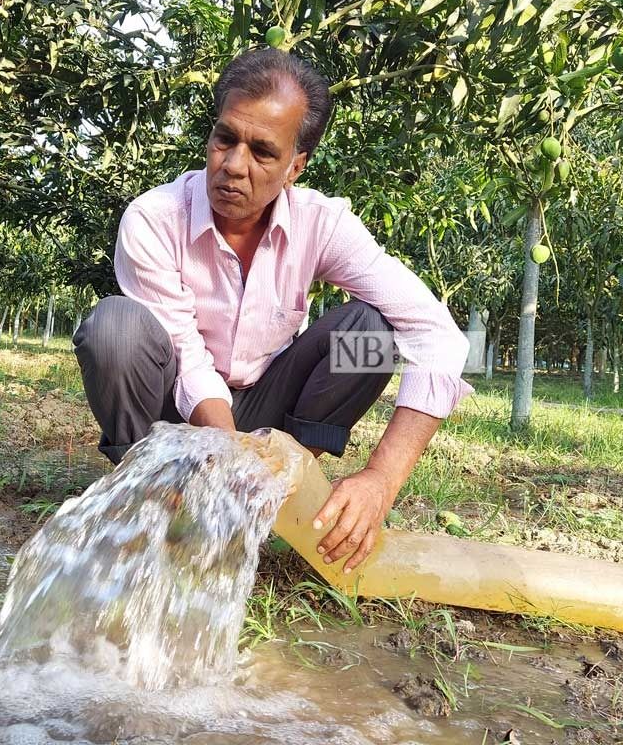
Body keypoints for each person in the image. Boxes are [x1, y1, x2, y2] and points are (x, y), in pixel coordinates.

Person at [73, 48, 472, 572]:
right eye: (225, 139)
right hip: (172, 413)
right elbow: (188, 360)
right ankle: (147, 488)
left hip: (267, 415)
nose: (234, 166)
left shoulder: (322, 224)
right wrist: (227, 456)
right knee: (115, 329)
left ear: (294, 167)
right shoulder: (155, 219)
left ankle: (279, 492)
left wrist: (380, 479)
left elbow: (440, 338)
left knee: (369, 332)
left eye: (262, 152)